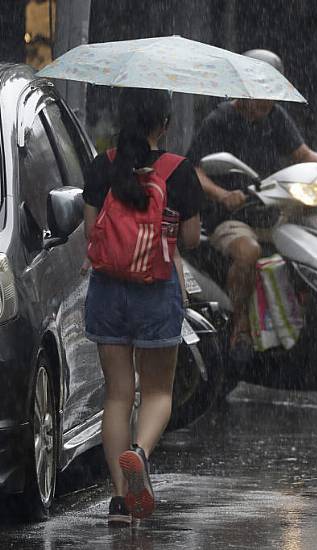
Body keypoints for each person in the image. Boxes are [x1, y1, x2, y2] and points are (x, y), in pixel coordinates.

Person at [82, 88, 203, 524]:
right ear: (164, 124)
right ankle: (140, 452)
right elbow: (189, 240)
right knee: (157, 393)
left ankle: (118, 500)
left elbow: (91, 232)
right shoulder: (179, 172)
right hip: (156, 288)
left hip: (108, 290)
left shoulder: (103, 166)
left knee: (118, 395)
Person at [187, 49, 317, 360]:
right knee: (248, 252)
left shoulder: (275, 118)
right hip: (230, 217)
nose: (264, 101)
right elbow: (195, 170)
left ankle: (310, 322)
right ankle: (238, 322)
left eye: (270, 92)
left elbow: (304, 155)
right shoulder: (220, 120)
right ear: (242, 87)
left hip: (269, 210)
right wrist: (221, 194)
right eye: (258, 92)